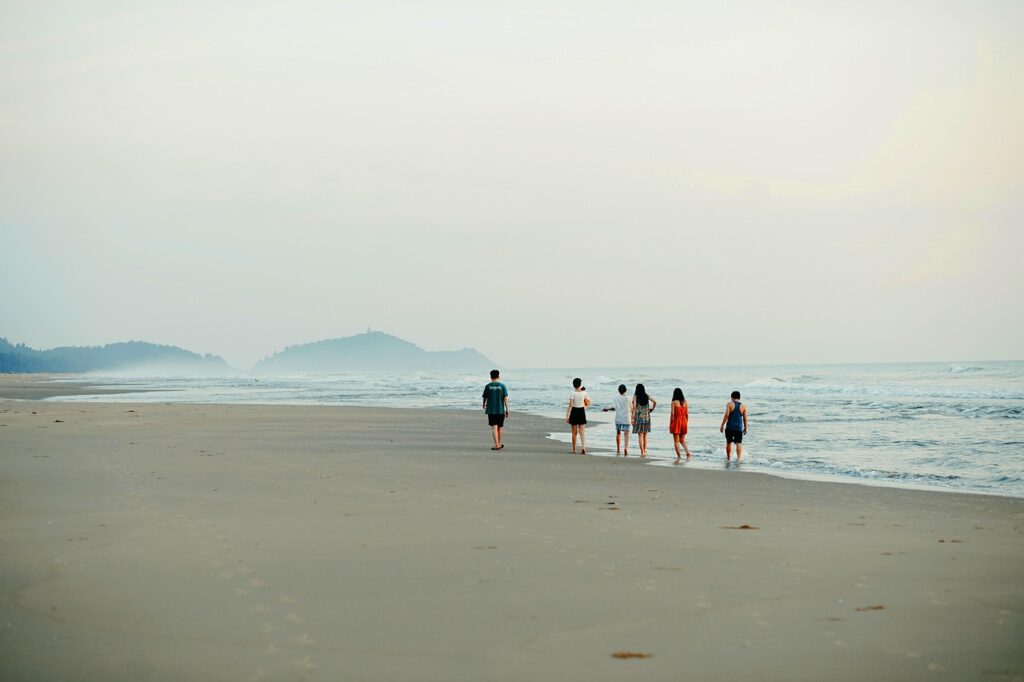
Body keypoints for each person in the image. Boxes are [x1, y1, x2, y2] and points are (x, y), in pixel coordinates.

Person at [602, 384, 633, 456]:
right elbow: (632, 408)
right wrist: (633, 416)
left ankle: (618, 448)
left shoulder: (616, 398)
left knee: (618, 433)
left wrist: (607, 409)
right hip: (626, 418)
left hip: (618, 418)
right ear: (626, 390)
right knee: (626, 434)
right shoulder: (629, 398)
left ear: (619, 391)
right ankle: (625, 448)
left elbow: (614, 408)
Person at [481, 369, 509, 451]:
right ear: (498, 376)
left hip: (491, 410)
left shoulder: (488, 386)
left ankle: (497, 444)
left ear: (491, 377)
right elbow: (506, 398)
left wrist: (483, 404)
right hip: (500, 410)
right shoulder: (502, 386)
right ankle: (499, 443)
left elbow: (485, 397)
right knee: (500, 427)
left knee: (494, 427)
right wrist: (507, 409)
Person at [720, 390, 748, 460]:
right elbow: (745, 418)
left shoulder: (729, 404)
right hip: (739, 427)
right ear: (739, 397)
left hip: (730, 427)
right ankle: (738, 459)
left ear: (732, 397)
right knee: (738, 443)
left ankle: (728, 459)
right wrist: (745, 427)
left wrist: (722, 425)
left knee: (729, 442)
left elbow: (726, 415)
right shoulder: (743, 406)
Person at [565, 377, 590, 454]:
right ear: (580, 384)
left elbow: (571, 405)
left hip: (574, 411)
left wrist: (567, 415)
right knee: (582, 432)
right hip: (581, 411)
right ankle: (583, 448)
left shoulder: (572, 393)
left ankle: (574, 449)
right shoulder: (584, 393)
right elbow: (588, 402)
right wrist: (584, 408)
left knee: (574, 433)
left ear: (573, 385)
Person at [631, 383, 657, 457]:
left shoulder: (635, 397)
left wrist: (632, 417)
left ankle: (642, 451)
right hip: (646, 418)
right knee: (645, 435)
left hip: (639, 418)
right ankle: (645, 450)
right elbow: (655, 402)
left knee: (640, 436)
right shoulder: (646, 396)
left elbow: (635, 408)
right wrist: (652, 409)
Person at [669, 388, 692, 461]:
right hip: (684, 421)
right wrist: (686, 423)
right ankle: (687, 452)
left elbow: (673, 415)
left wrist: (671, 424)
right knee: (682, 440)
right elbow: (687, 414)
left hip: (677, 421)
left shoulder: (674, 402)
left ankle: (679, 456)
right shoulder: (685, 402)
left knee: (676, 441)